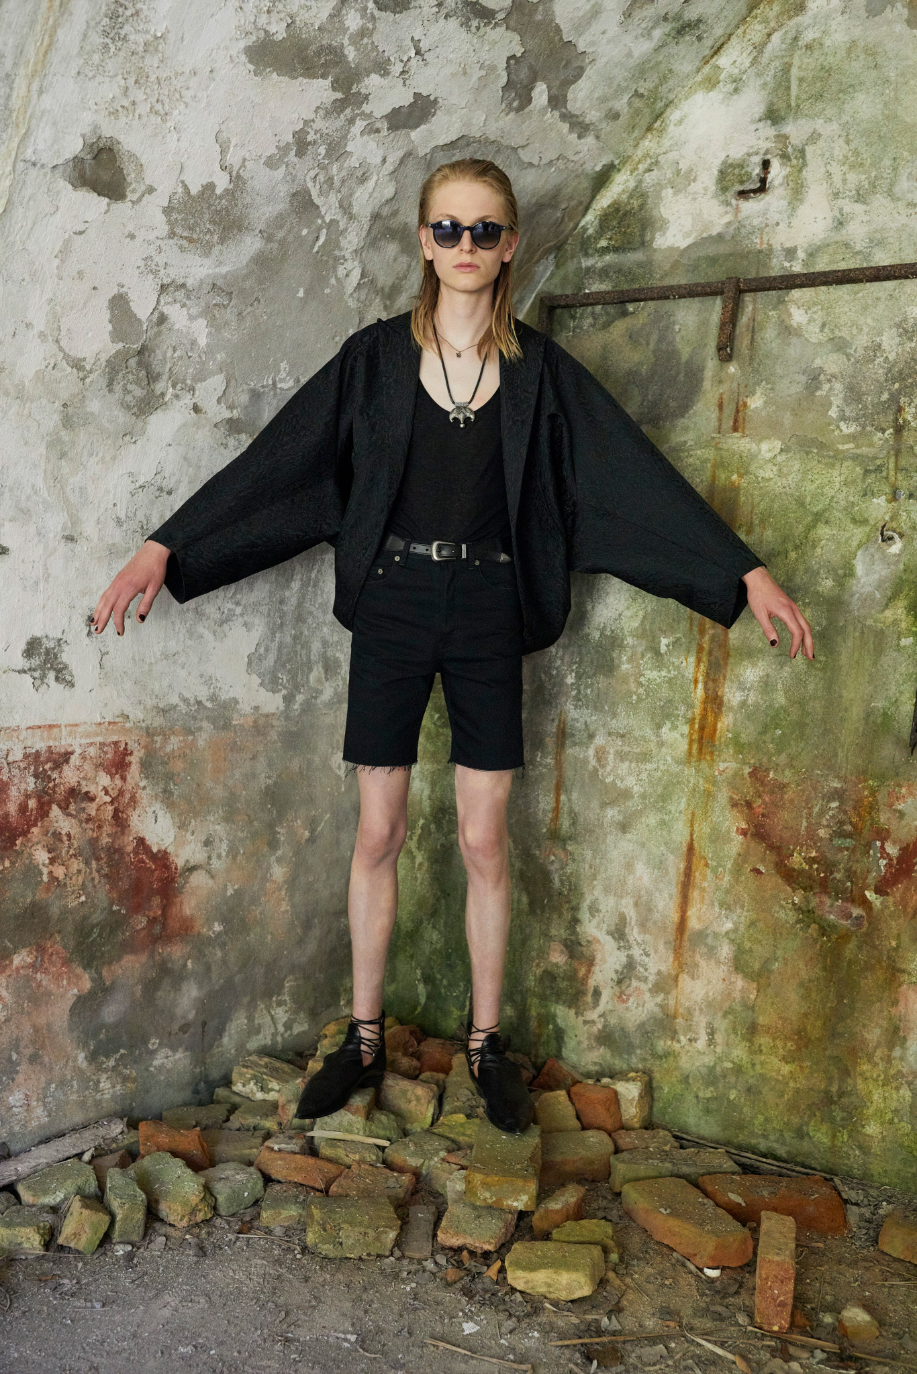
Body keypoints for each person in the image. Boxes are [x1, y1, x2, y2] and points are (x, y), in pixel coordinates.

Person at [92, 158, 813, 1135]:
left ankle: (485, 1044)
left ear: (508, 246)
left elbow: (629, 477)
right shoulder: (372, 361)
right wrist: (166, 545)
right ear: (423, 242)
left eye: (483, 230)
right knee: (377, 832)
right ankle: (360, 1040)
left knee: (481, 838)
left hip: (487, 606)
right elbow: (279, 461)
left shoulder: (540, 375)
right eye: (446, 228)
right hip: (392, 600)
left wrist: (740, 573)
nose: (464, 246)